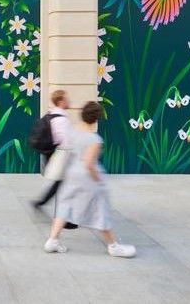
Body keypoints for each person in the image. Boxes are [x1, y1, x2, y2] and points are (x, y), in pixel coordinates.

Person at [44, 100, 135, 258]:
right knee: (100, 210)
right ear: (97, 119)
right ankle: (113, 246)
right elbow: (89, 164)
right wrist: (98, 179)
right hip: (86, 179)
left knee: (65, 207)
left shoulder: (72, 132)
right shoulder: (95, 140)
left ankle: (52, 240)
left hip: (70, 174)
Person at [32, 90, 77, 229]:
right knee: (64, 186)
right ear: (61, 101)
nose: (69, 101)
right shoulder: (61, 120)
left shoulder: (51, 115)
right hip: (60, 154)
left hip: (53, 153)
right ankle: (63, 219)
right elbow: (65, 141)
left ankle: (42, 202)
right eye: (67, 99)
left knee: (60, 184)